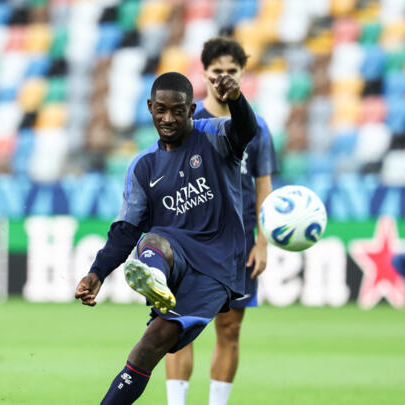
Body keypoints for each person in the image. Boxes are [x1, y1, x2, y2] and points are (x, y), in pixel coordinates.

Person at [74, 71, 261, 404]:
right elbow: (127, 229)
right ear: (149, 107)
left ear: (191, 110)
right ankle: (155, 279)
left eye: (178, 110)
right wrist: (97, 272)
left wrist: (235, 98)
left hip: (216, 269)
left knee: (152, 343)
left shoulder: (215, 136)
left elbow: (246, 130)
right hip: (173, 258)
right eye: (161, 109)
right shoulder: (144, 166)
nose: (168, 118)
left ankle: (155, 279)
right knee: (153, 238)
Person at [165, 37, 278, 405]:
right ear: (205, 74)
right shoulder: (190, 123)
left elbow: (264, 187)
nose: (224, 77)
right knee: (178, 326)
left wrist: (262, 242)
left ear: (243, 75)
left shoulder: (257, 127)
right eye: (217, 71)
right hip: (191, 241)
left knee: (229, 329)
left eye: (232, 71)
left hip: (239, 243)